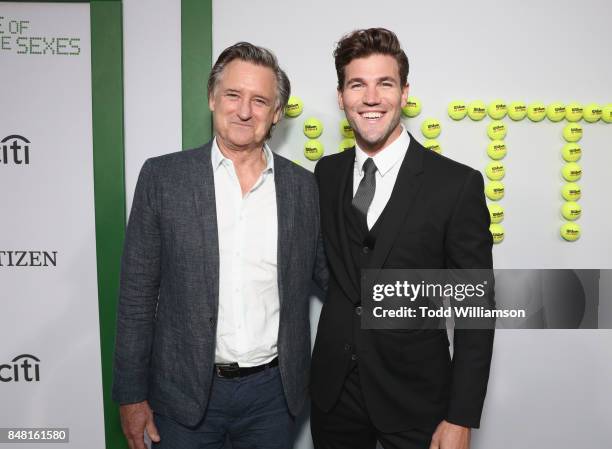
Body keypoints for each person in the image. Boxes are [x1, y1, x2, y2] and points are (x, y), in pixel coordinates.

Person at [113, 42, 327, 449]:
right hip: (183, 396)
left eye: (260, 100)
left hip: (274, 397)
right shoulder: (163, 178)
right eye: (233, 95)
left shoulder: (303, 188)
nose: (244, 111)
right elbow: (136, 296)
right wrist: (130, 395)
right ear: (212, 98)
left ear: (277, 113)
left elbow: (335, 278)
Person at [310, 28, 494, 449]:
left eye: (385, 84)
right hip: (333, 397)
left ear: (405, 93)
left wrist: (460, 416)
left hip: (419, 402)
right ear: (341, 97)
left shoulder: (457, 184)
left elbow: (476, 309)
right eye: (357, 84)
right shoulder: (326, 175)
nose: (371, 98)